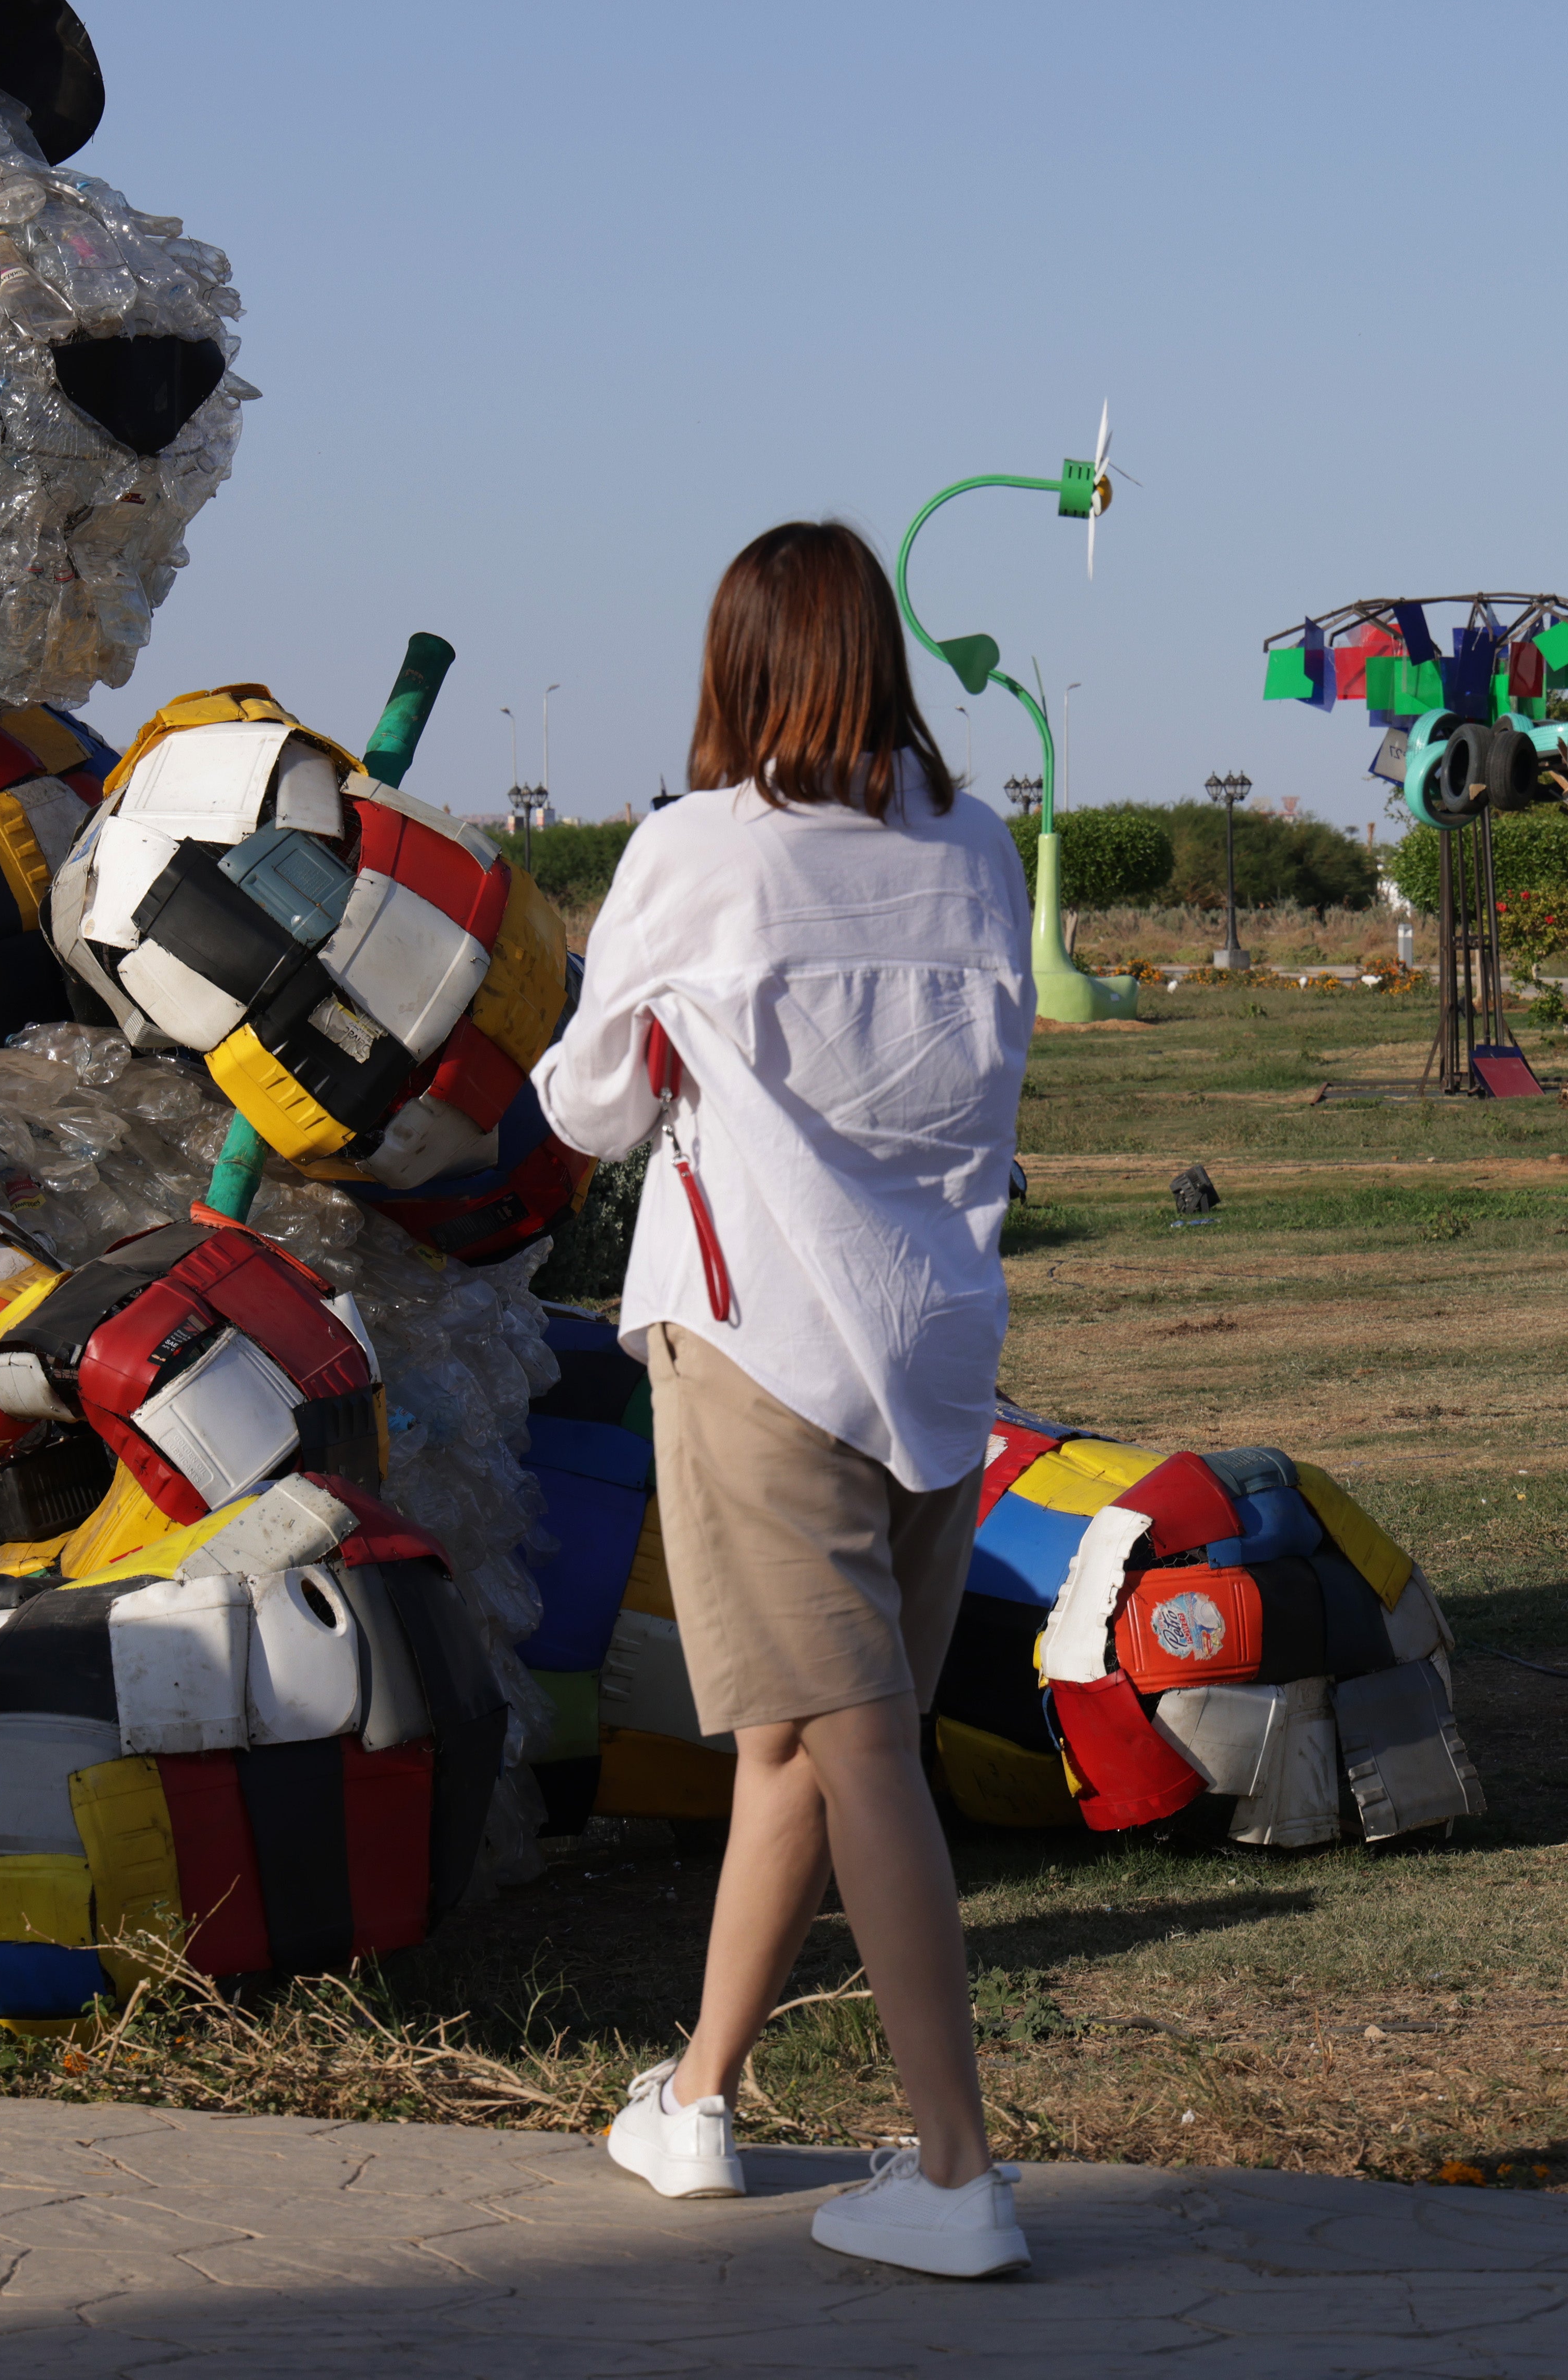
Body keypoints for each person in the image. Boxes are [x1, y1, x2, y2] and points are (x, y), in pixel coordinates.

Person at [528, 519, 1036, 2280]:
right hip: (931, 1338)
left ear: (736, 665)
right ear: (879, 654)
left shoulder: (694, 853)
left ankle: (959, 2177)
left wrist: (656, 1046)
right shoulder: (978, 847)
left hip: (755, 1345)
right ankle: (696, 2101)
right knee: (793, 1741)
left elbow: (585, 1112)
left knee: (853, 1738)